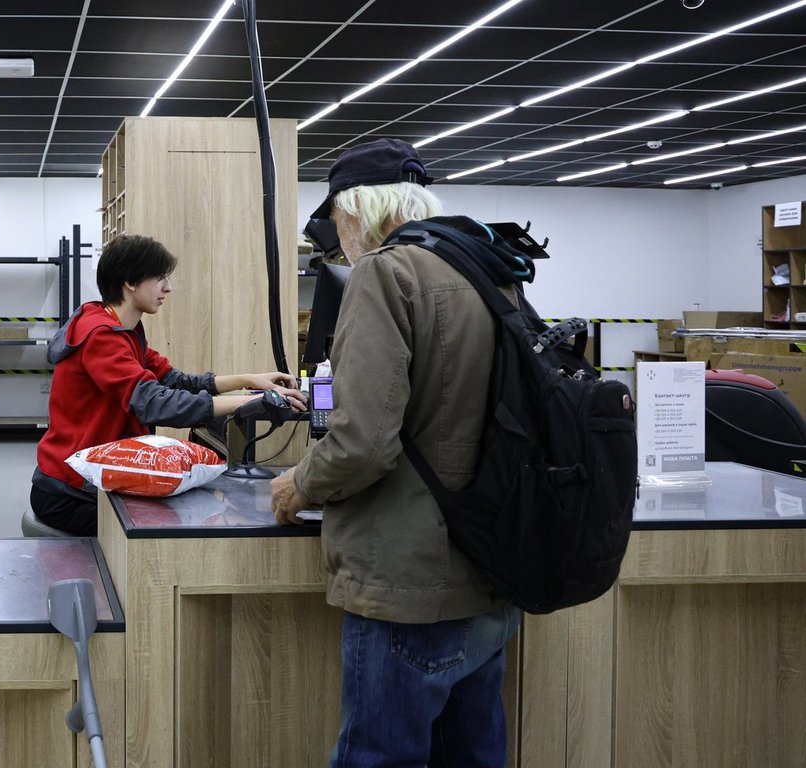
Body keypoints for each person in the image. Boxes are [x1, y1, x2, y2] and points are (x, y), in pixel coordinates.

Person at [269, 138, 523, 767]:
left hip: (408, 583)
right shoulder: (486, 267)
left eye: (337, 221)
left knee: (379, 756)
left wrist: (299, 483)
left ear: (357, 209)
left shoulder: (385, 273)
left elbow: (360, 443)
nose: (338, 239)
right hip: (492, 566)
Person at [32, 233, 307, 536]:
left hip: (89, 479)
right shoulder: (102, 335)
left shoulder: (124, 329)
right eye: (160, 278)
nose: (168, 287)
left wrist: (250, 381)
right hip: (70, 492)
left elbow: (175, 381)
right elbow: (154, 403)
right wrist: (251, 401)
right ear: (130, 282)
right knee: (175, 528)